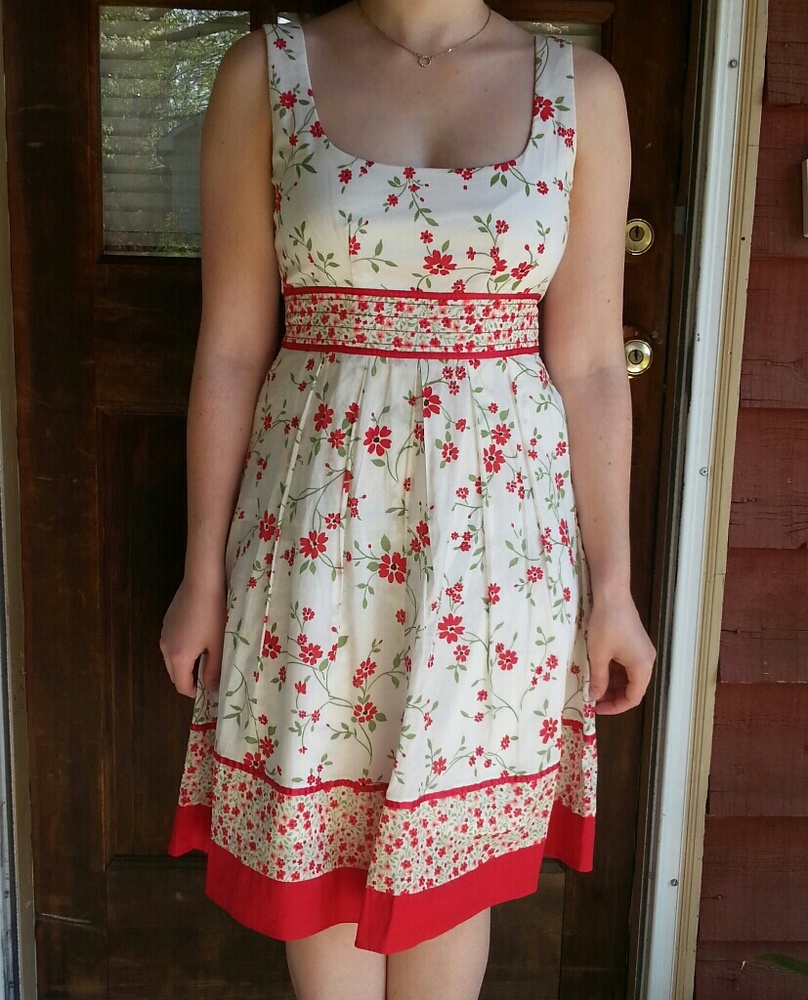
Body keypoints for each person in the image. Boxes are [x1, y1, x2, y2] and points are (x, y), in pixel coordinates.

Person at [160, 2, 656, 997]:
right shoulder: (267, 73)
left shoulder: (580, 92)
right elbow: (227, 349)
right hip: (317, 542)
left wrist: (613, 589)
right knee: (322, 855)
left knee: (450, 875)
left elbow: (595, 365)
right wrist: (200, 572)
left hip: (496, 558)